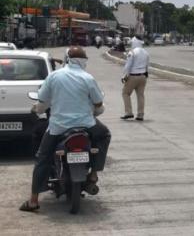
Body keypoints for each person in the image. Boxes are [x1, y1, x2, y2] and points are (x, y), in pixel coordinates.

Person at [19, 46, 111, 212]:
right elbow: (98, 105)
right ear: (84, 62)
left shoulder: (54, 76)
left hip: (58, 127)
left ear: (66, 59)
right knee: (104, 135)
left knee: (43, 157)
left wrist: (37, 109)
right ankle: (93, 173)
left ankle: (33, 200)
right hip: (86, 125)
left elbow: (42, 102)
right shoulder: (88, 78)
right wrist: (94, 110)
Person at [121, 36, 150, 121]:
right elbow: (147, 65)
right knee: (140, 95)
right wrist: (146, 73)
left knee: (125, 93)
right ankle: (140, 114)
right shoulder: (146, 52)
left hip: (133, 76)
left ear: (135, 43)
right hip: (143, 76)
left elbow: (128, 66)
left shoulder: (132, 52)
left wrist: (124, 76)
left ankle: (128, 112)